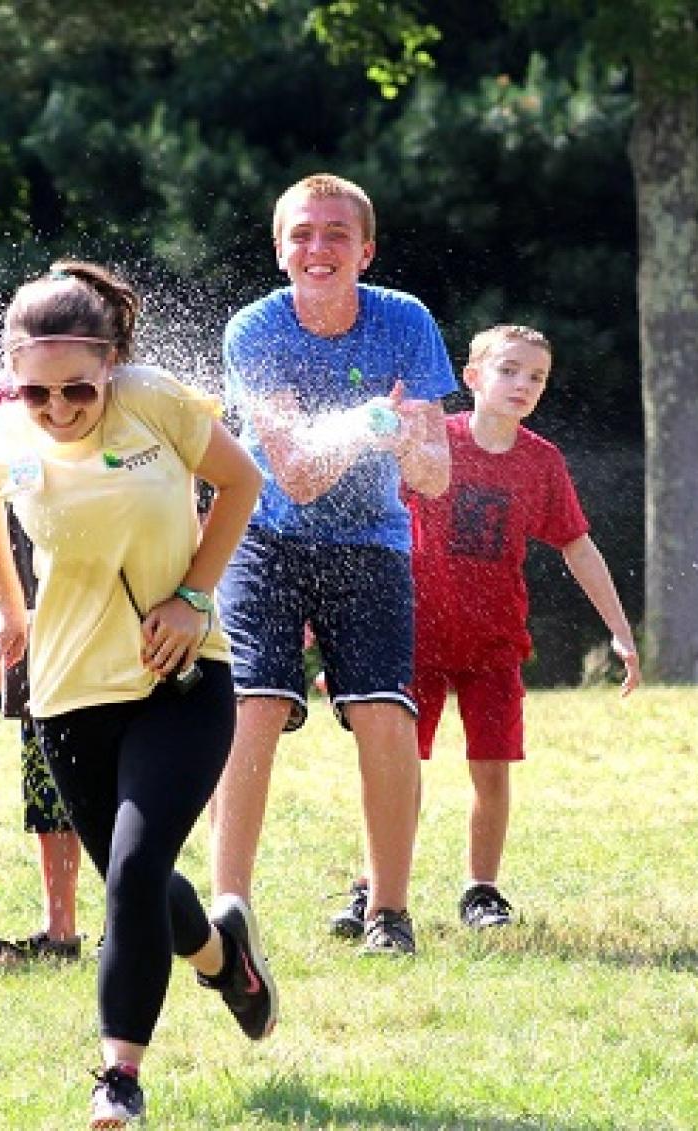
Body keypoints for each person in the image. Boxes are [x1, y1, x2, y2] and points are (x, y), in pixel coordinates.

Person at [0, 260, 275, 1127]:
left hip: (182, 677)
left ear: (113, 361)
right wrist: (6, 616)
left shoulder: (154, 400)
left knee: (130, 872)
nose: (56, 411)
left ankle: (117, 1078)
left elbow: (243, 483)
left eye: (76, 392)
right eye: (36, 393)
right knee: (141, 882)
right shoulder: (3, 433)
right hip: (65, 695)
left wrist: (196, 593)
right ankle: (223, 957)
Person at [210, 173, 455, 956]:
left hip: (371, 539)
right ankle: (230, 909)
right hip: (264, 534)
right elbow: (297, 475)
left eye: (337, 235)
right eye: (304, 235)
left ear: (366, 250)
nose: (320, 249)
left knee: (386, 710)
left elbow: (434, 475)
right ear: (281, 251)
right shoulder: (255, 329)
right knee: (256, 705)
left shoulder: (407, 321)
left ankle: (388, 912)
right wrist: (371, 422)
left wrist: (409, 438)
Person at [355, 324, 642, 934]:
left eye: (536, 377)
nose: (523, 385)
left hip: (493, 642)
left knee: (491, 768)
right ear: (471, 377)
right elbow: (368, 517)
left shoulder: (542, 462)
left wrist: (620, 629)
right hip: (413, 634)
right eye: (509, 370)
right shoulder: (433, 441)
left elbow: (577, 545)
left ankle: (481, 891)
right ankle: (370, 889)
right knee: (397, 767)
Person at [0, 524, 85, 962]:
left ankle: (132, 922)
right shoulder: (8, 465)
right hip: (38, 665)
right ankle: (59, 931)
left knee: (120, 797)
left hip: (108, 653)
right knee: (50, 803)